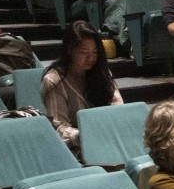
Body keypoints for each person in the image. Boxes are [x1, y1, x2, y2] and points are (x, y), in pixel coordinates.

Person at [40, 21, 123, 150]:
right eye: (84, 52)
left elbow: (118, 106)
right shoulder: (53, 80)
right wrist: (84, 135)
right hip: (76, 147)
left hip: (107, 137)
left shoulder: (102, 72)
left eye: (95, 52)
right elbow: (59, 127)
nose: (91, 58)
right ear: (69, 50)